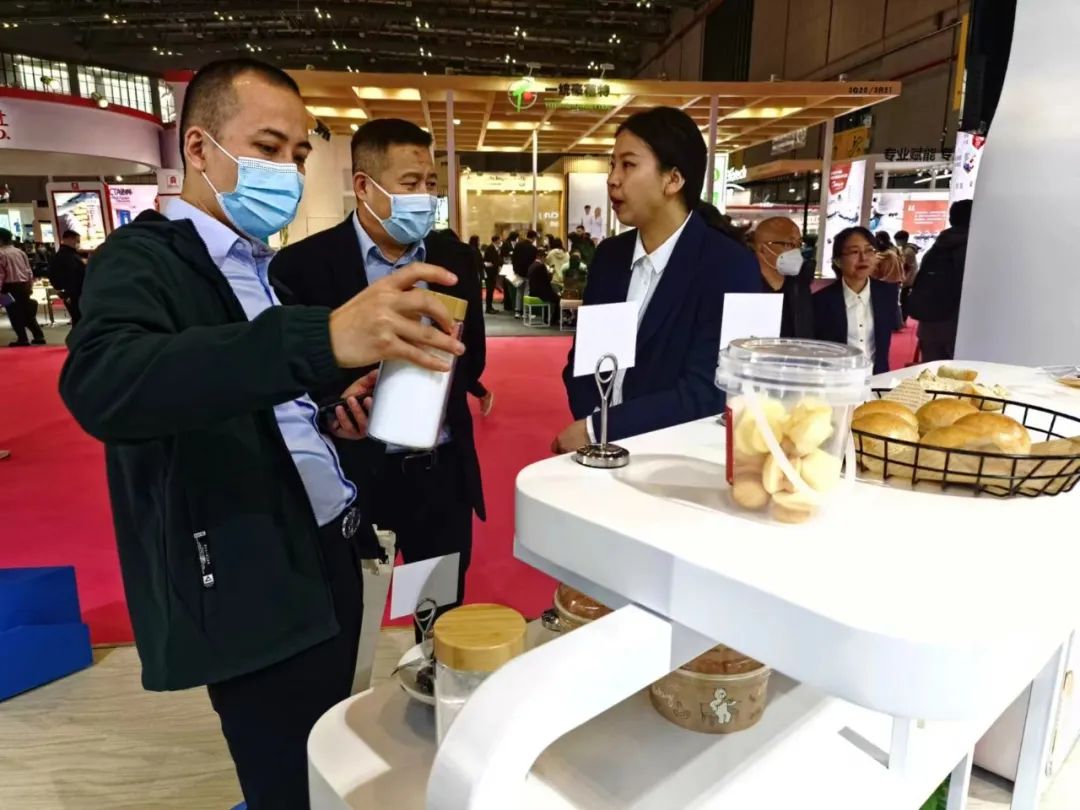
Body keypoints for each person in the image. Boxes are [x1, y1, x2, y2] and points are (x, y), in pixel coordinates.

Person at [58, 59, 465, 810]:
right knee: (287, 777)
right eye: (269, 148)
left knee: (334, 753)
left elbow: (251, 389)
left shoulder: (259, 268)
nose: (289, 171)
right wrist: (322, 339)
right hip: (252, 573)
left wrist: (330, 409)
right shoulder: (143, 259)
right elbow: (105, 382)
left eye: (299, 154)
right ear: (199, 148)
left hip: (328, 546)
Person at [271, 117, 486, 641]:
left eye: (430, 183)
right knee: (350, 620)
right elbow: (289, 375)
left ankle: (431, 683)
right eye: (409, 184)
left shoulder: (454, 260)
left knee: (438, 617)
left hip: (438, 474)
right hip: (352, 477)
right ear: (364, 186)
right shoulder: (303, 267)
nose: (424, 196)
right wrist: (335, 406)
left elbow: (473, 358)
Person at [555, 106, 759, 451]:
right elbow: (584, 363)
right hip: (602, 458)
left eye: (628, 165)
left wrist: (598, 429)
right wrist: (595, 429)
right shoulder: (610, 257)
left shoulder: (730, 266)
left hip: (677, 459)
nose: (612, 179)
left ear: (673, 180)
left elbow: (709, 391)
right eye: (612, 165)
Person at [812, 226, 895, 374]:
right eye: (854, 252)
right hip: (836, 379)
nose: (863, 258)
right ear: (838, 261)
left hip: (877, 378)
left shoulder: (887, 293)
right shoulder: (820, 301)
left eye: (869, 250)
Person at [907, 200, 972, 361]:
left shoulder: (937, 247)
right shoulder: (972, 249)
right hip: (958, 329)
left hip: (930, 326)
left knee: (931, 371)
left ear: (951, 219)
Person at [749, 216, 814, 339]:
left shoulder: (800, 286)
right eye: (789, 244)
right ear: (762, 249)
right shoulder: (744, 285)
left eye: (799, 244)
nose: (796, 251)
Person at [0, 227, 46, 346]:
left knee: (13, 313)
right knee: (27, 312)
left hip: (8, 288)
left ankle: (22, 338)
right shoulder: (20, 252)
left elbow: (1, 274)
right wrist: (30, 285)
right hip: (23, 286)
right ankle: (39, 336)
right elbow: (28, 270)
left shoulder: (1, 253)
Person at [48, 229, 87, 324]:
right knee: (80, 321)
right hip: (74, 294)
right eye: (77, 241)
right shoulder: (65, 256)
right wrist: (65, 292)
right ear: (69, 239)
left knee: (79, 321)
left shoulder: (69, 254)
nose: (78, 244)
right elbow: (72, 275)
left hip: (75, 293)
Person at [526, 249, 560, 325]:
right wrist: (551, 274)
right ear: (541, 257)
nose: (545, 260)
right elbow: (547, 280)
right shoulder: (541, 266)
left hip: (533, 291)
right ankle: (554, 320)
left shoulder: (532, 265)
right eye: (544, 258)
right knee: (558, 299)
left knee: (551, 297)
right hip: (541, 292)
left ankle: (546, 318)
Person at [511, 228, 539, 317]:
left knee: (519, 291)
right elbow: (534, 262)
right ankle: (525, 312)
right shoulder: (533, 249)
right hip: (528, 273)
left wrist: (515, 269)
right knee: (526, 292)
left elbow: (513, 258)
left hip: (519, 272)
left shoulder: (518, 245)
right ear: (534, 238)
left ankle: (517, 311)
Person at [895, 229, 919, 322]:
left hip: (909, 280)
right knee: (904, 299)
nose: (896, 243)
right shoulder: (906, 249)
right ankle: (903, 318)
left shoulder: (908, 252)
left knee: (904, 300)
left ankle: (903, 319)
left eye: (897, 240)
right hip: (909, 278)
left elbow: (907, 268)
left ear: (903, 240)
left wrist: (903, 281)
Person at [482, 235, 502, 313]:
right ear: (496, 240)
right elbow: (491, 261)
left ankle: (490, 307)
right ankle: (488, 308)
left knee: (491, 290)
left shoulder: (495, 248)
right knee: (489, 290)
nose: (500, 241)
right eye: (499, 239)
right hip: (489, 273)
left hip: (493, 272)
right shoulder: (490, 248)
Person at [501, 230, 519, 312]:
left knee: (512, 285)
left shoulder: (515, 244)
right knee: (507, 286)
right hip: (507, 267)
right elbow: (503, 255)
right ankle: (507, 304)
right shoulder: (506, 244)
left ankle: (512, 304)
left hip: (512, 266)